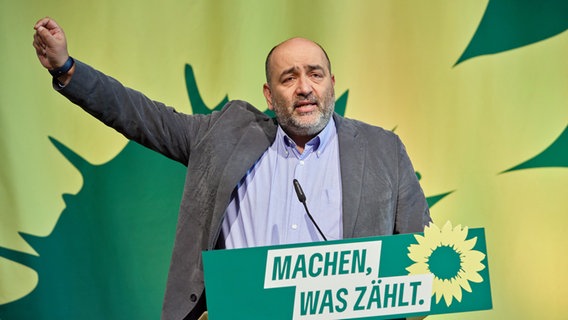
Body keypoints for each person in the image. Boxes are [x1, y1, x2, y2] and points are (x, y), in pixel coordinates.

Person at [33, 17, 430, 320]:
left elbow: (419, 262)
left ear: (332, 84)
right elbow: (142, 117)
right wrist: (67, 68)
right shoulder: (224, 136)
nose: (304, 87)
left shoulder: (383, 150)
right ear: (269, 96)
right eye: (288, 78)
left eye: (315, 74)